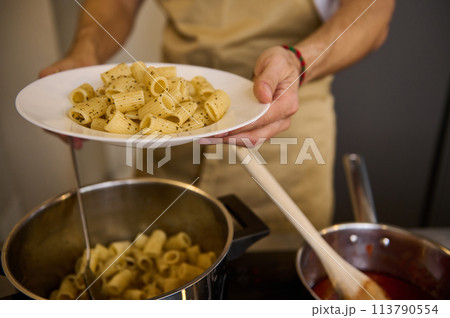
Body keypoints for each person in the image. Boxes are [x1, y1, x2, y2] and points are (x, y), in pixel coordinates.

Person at [40, 0, 395, 250]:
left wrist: (298, 60)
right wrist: (86, 50)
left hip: (284, 127)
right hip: (169, 128)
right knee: (156, 255)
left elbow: (373, 13)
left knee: (271, 274)